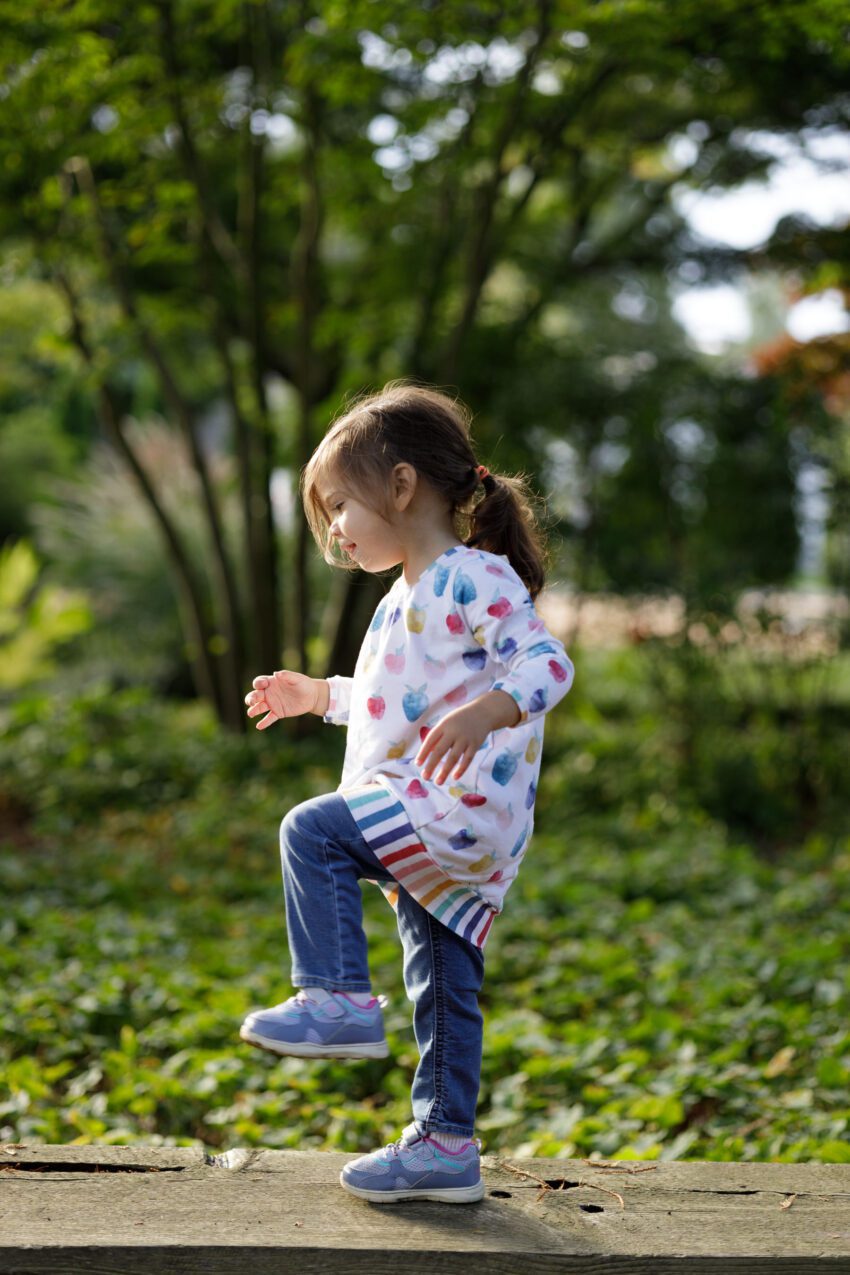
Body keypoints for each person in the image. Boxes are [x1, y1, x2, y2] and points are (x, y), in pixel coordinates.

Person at [241, 381, 574, 1204]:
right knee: (444, 979)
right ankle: (445, 1143)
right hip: (439, 818)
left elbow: (548, 665)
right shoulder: (404, 601)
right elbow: (397, 703)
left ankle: (338, 997)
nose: (338, 532)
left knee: (309, 833)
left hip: (451, 807)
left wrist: (486, 712)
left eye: (341, 508)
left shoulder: (472, 577)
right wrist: (318, 695)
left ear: (400, 487)